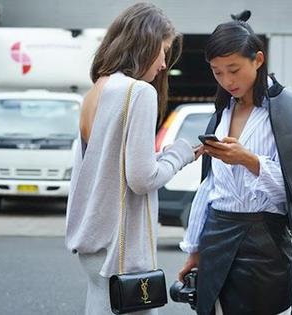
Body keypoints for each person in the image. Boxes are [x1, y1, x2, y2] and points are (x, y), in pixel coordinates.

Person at [178, 13, 292, 315]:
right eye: (217, 72)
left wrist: (249, 160)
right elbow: (210, 187)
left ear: (259, 59)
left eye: (234, 70)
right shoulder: (221, 114)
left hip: (265, 242)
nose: (227, 81)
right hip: (216, 238)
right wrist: (194, 250)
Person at [65, 3, 203, 314]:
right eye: (163, 51)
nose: (165, 63)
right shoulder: (139, 92)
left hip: (93, 245)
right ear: (145, 44)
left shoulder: (97, 90)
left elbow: (109, 167)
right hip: (122, 252)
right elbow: (142, 179)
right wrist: (180, 154)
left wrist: (162, 156)